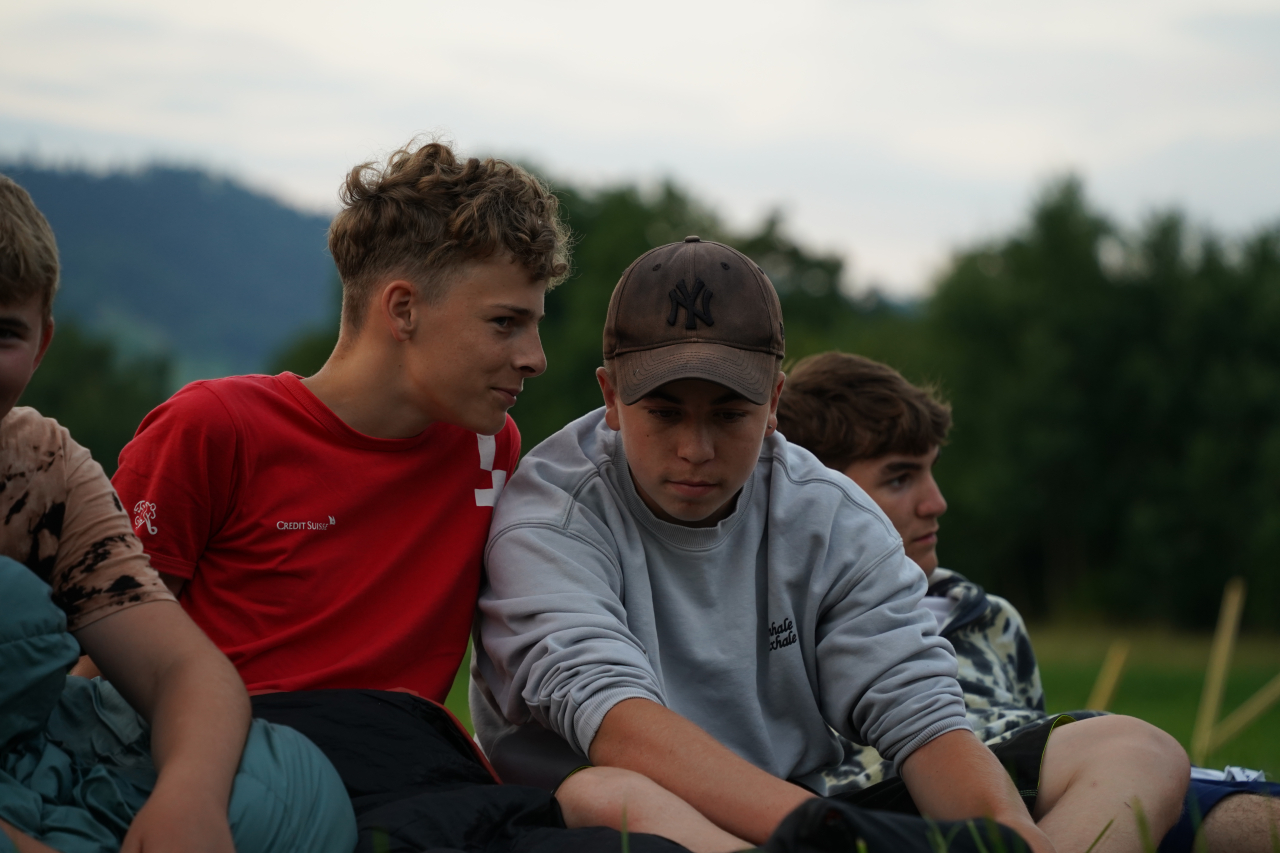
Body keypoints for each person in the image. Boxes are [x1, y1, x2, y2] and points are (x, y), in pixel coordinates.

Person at [470, 237, 1191, 853]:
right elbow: (619, 727)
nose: (696, 448)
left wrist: (1001, 836)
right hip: (626, 823)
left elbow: (920, 715)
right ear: (610, 395)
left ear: (775, 403)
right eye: (663, 412)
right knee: (609, 793)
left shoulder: (829, 514)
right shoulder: (550, 515)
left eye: (730, 413)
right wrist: (831, 834)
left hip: (807, 810)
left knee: (1139, 750)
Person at [107, 140, 694, 853]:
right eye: (505, 322)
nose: (534, 358)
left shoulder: (488, 447)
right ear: (404, 309)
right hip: (255, 776)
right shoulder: (214, 428)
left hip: (421, 773)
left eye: (534, 324)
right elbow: (101, 654)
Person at [775, 349, 1280, 853]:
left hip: (1078, 794)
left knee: (1254, 814)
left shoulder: (990, 618)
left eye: (932, 471)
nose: (936, 502)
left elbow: (1042, 741)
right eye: (899, 478)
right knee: (1144, 756)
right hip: (922, 810)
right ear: (819, 492)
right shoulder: (788, 625)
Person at [0, 173, 354, 853]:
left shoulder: (43, 466)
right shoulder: (209, 425)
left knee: (294, 782)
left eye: (3, 333)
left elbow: (183, 668)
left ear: (41, 345)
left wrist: (189, 798)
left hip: (32, 751)